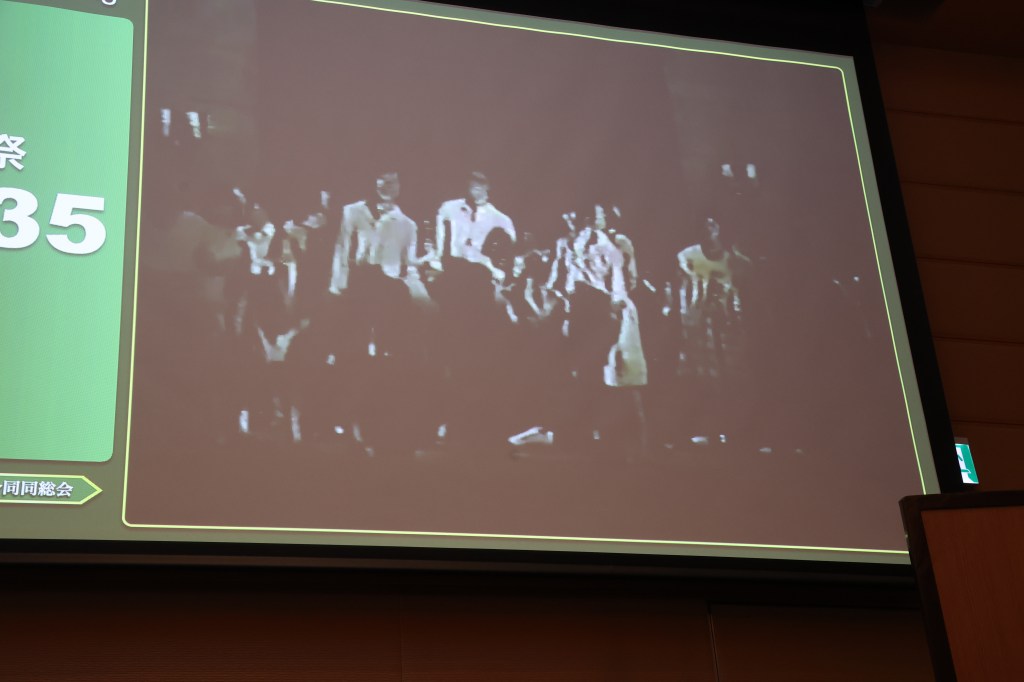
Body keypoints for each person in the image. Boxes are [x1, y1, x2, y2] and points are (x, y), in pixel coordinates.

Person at [330, 172, 418, 295]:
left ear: (400, 185)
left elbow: (410, 265)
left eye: (391, 182)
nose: (386, 187)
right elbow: (342, 247)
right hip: (357, 283)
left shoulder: (408, 224)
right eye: (381, 182)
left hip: (389, 288)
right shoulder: (354, 211)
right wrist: (337, 284)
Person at [435, 171, 515, 270]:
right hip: (450, 266)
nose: (476, 187)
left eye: (480, 184)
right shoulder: (449, 208)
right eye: (472, 184)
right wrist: (438, 261)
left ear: (488, 187)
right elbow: (440, 237)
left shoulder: (501, 220)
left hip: (483, 270)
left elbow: (508, 252)